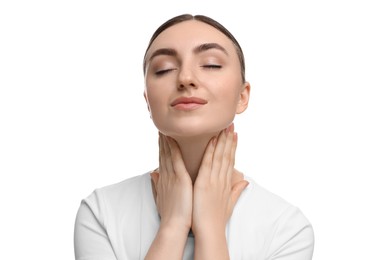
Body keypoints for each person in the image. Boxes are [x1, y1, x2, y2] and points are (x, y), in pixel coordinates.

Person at [74, 14, 315, 260]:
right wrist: (173, 225)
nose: (185, 78)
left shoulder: (287, 228)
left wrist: (210, 229)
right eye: (164, 68)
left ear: (242, 96)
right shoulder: (101, 212)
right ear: (148, 102)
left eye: (211, 64)